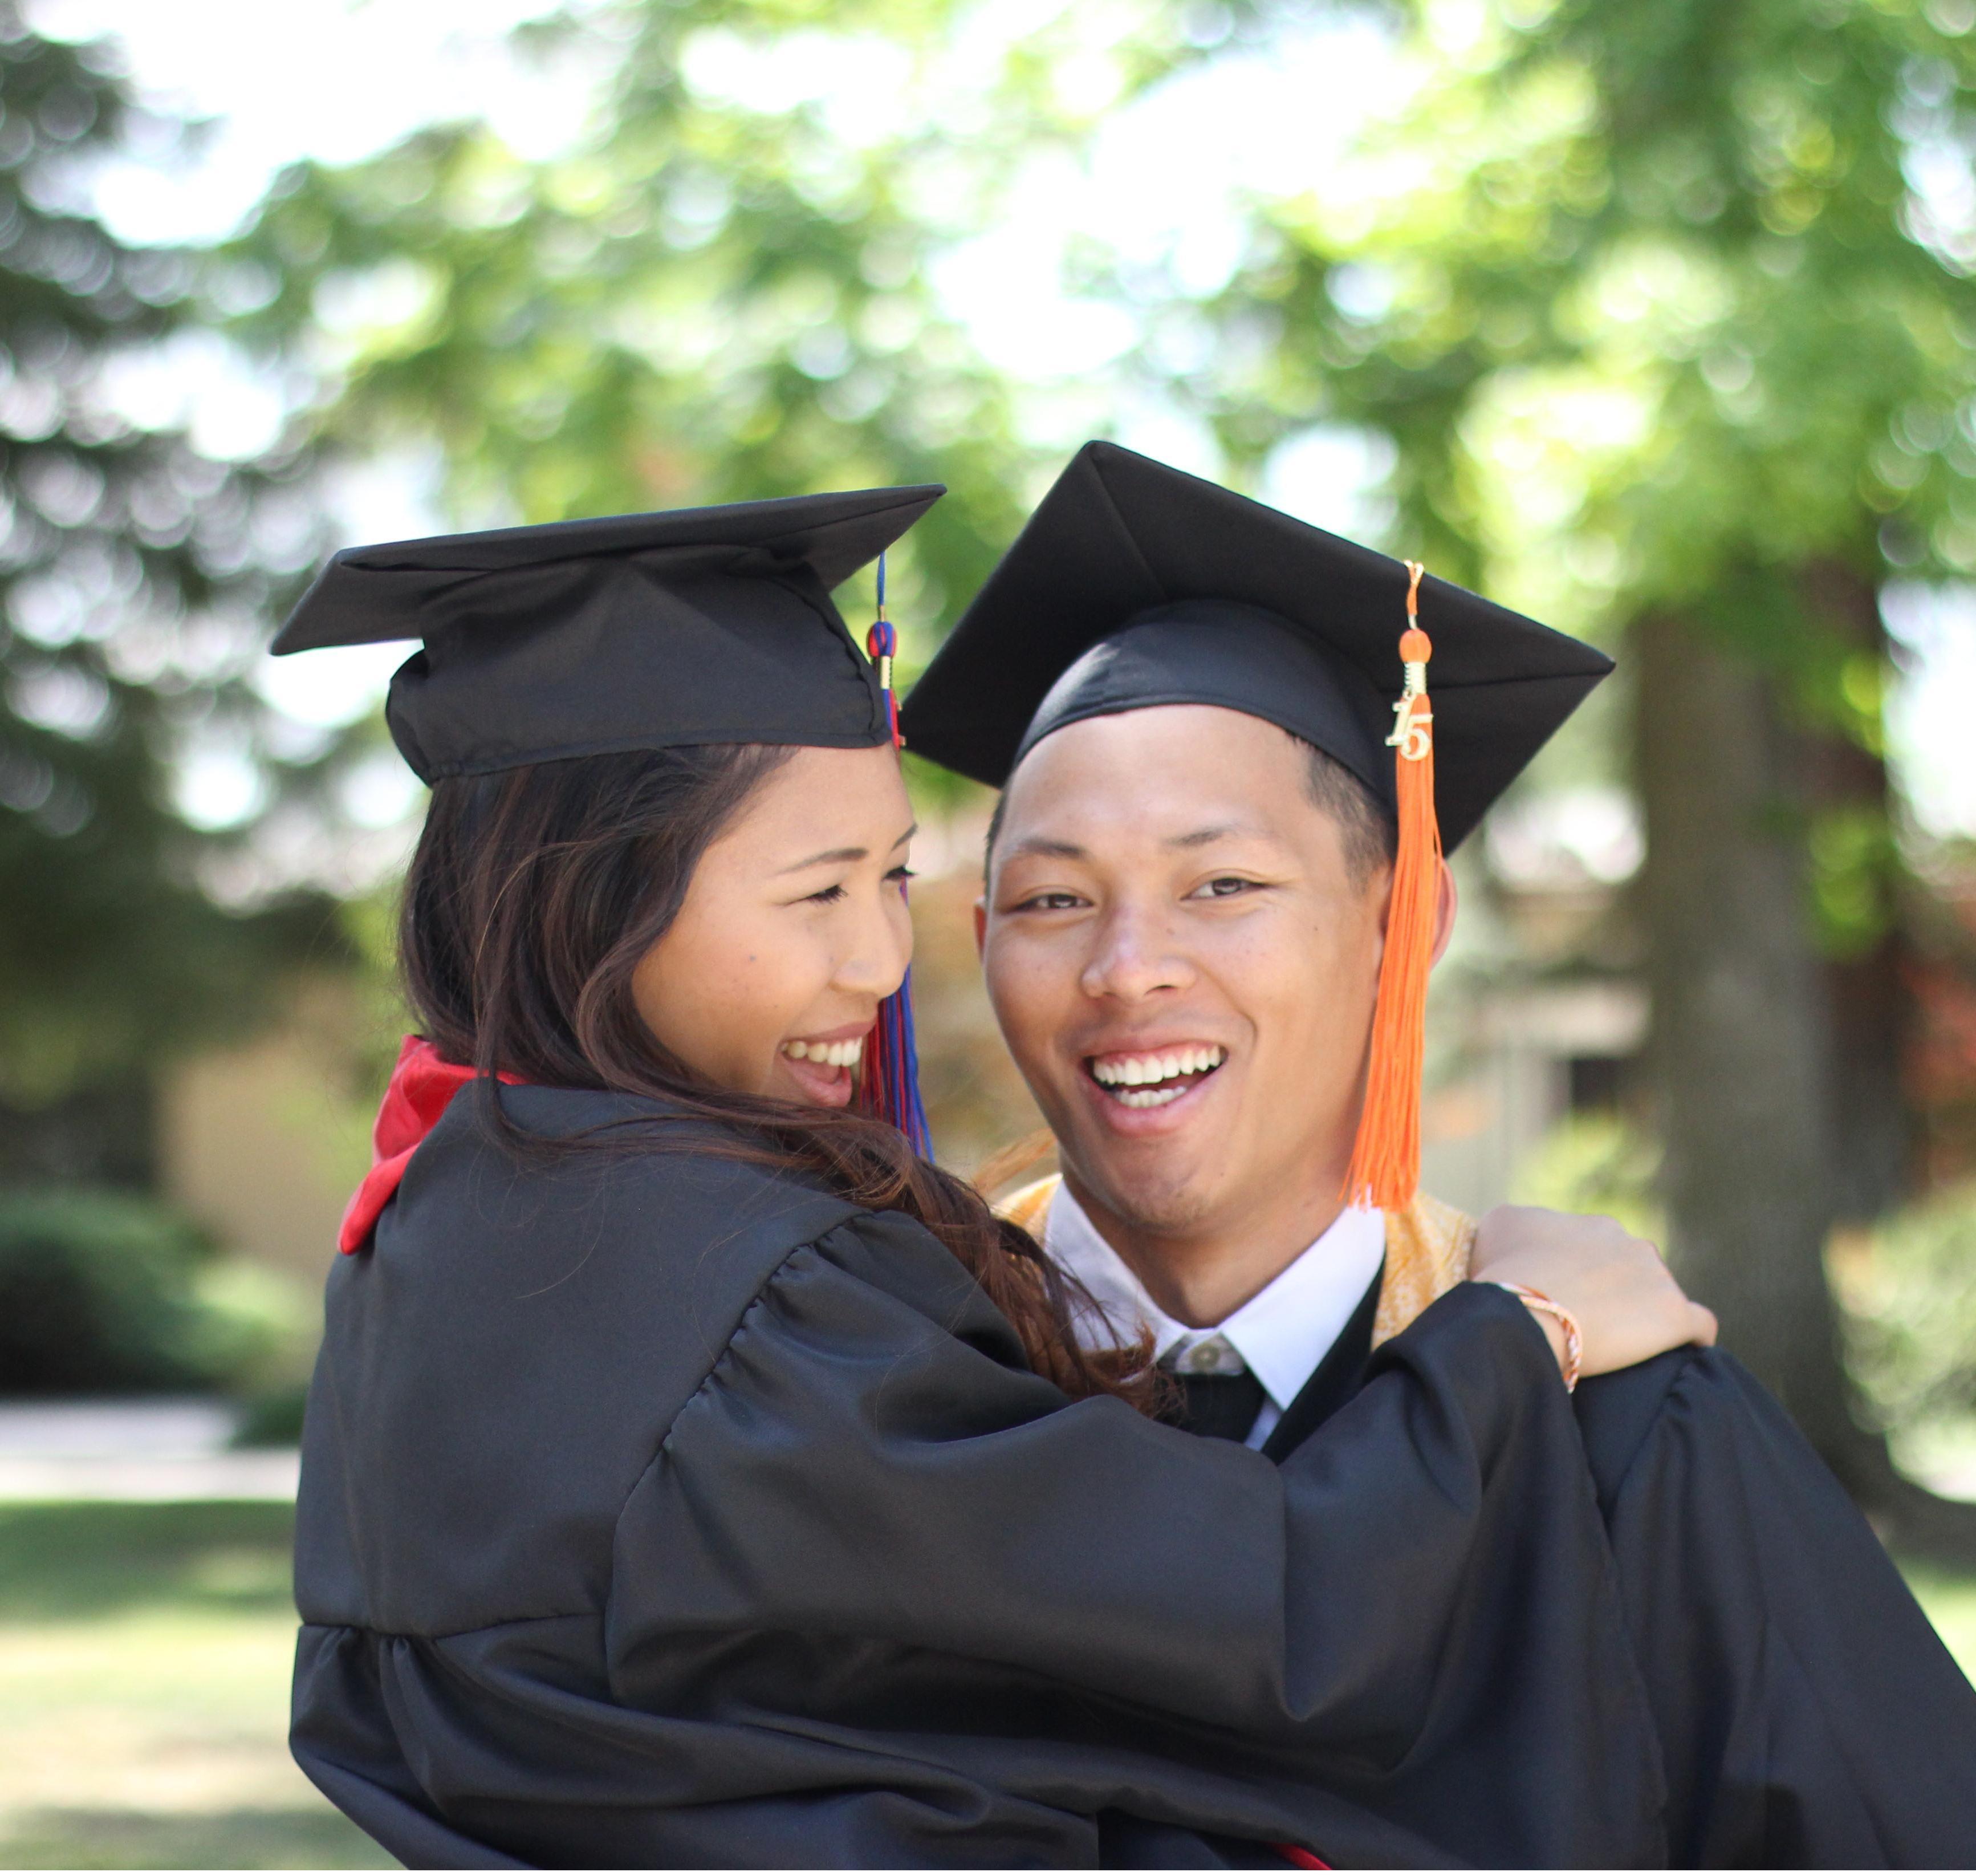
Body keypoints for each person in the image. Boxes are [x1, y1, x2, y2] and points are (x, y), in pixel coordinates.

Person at [278, 482, 1712, 1870]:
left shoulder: (428, 1244)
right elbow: (1274, 1612)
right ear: (596, 897)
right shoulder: (738, 1295)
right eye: (816, 888)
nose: (879, 961)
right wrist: (1521, 1327)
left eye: (892, 878)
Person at [900, 437, 1976, 1868]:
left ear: (1403, 922)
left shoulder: (1626, 1434)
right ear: (978, 942)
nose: (1126, 967)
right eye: (1052, 899)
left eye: (1222, 882)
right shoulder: (895, 1398)